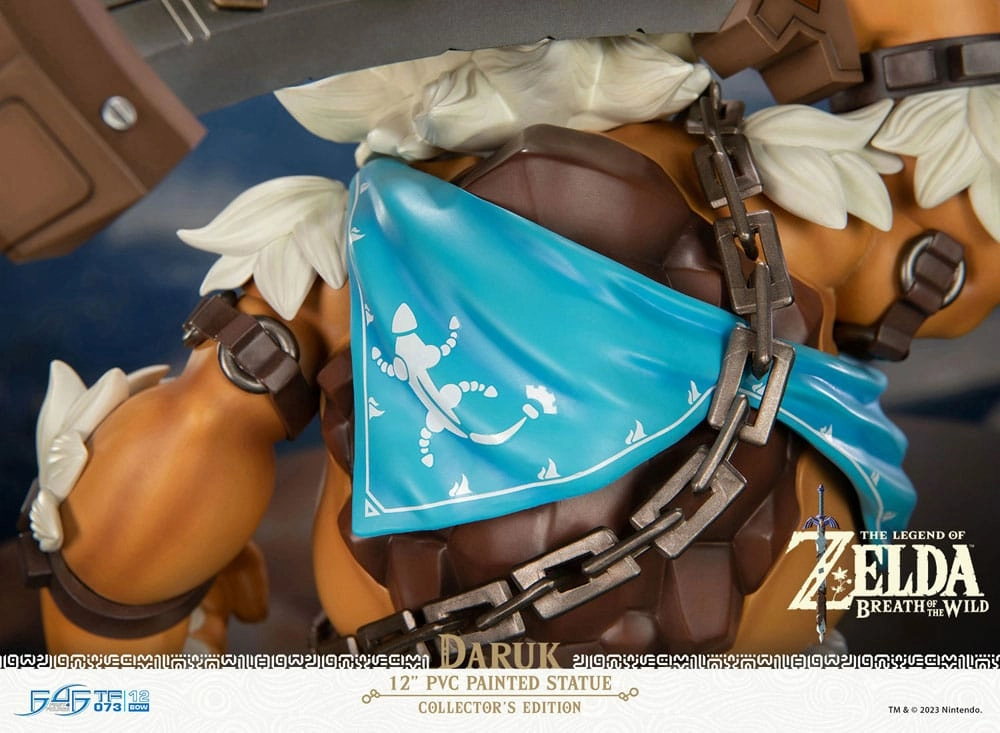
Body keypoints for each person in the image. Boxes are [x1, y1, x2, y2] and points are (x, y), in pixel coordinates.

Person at [21, 0, 1000, 660]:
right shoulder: (808, 203)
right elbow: (957, 256)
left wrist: (125, 636)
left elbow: (146, 512)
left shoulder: (318, 264)